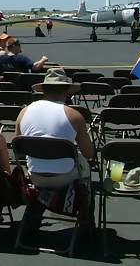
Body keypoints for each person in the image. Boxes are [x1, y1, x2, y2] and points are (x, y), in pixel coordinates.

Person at [15, 68, 95, 238]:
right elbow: (89, 153)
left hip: (35, 175)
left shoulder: (23, 113)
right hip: (65, 177)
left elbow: (18, 148)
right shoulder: (75, 116)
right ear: (67, 91)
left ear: (43, 90)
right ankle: (87, 224)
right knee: (86, 171)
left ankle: (34, 215)